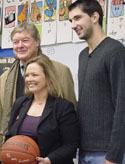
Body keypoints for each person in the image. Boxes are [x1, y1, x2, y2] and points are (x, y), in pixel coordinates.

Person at [0, 23, 77, 150]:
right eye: (15, 42)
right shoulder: (4, 80)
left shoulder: (60, 71)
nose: (20, 46)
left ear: (37, 42)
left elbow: (71, 113)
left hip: (51, 153)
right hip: (14, 152)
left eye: (25, 40)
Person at [68, 0, 125, 164]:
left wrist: (113, 156)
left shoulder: (115, 51)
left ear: (94, 17)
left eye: (78, 18)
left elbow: (122, 107)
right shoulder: (82, 55)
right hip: (84, 150)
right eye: (71, 20)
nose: (73, 25)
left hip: (107, 153)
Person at [4, 55, 79, 164]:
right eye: (27, 75)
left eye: (34, 75)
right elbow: (9, 136)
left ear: (48, 77)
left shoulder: (63, 107)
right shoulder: (20, 104)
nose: (29, 79)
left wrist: (49, 160)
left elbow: (71, 145)